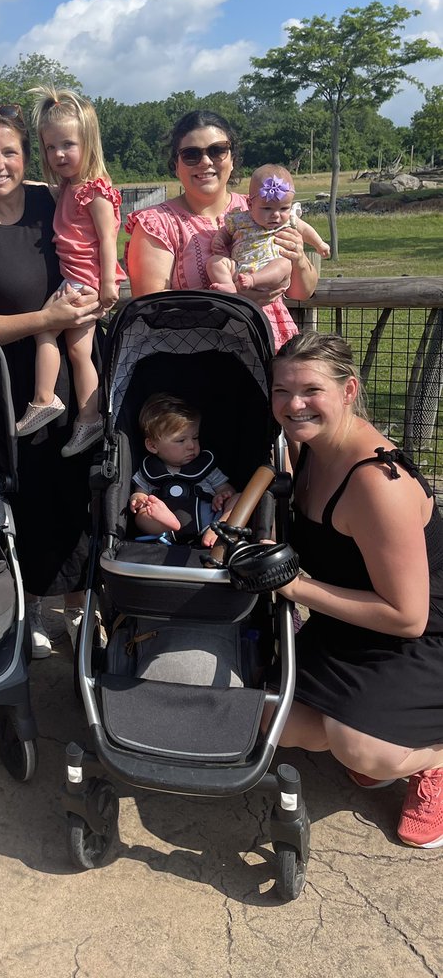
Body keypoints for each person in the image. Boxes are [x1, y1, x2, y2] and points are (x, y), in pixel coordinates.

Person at [0, 103, 102, 657]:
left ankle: (82, 610)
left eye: (9, 152)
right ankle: (26, 605)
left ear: (26, 157)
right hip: (12, 386)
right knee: (24, 496)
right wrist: (46, 320)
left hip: (75, 374)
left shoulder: (51, 200)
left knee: (80, 491)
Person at [271, 332, 443, 849]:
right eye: (281, 390)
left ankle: (431, 759)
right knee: (269, 722)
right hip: (347, 622)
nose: (293, 404)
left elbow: (408, 616)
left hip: (420, 636)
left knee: (363, 749)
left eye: (310, 390)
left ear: (349, 390)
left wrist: (295, 587)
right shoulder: (303, 449)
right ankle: (381, 728)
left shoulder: (376, 482)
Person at [125, 111, 318, 349]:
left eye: (217, 150)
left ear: (232, 159)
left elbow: (302, 292)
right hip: (193, 357)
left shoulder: (265, 208)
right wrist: (232, 302)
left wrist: (297, 258)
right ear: (176, 166)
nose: (205, 161)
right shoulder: (156, 224)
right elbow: (150, 310)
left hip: (268, 346)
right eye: (191, 154)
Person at [14, 88, 125, 457]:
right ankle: (89, 418)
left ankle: (44, 398)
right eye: (50, 147)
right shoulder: (69, 187)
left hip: (83, 280)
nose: (58, 154)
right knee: (79, 351)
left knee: (44, 328)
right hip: (80, 279)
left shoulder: (94, 192)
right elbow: (49, 190)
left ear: (89, 143)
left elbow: (108, 239)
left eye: (67, 145)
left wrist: (108, 281)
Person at [207, 165, 330, 337]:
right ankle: (229, 287)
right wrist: (219, 239)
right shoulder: (240, 219)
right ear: (250, 204)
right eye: (267, 209)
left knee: (284, 264)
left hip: (269, 269)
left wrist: (319, 244)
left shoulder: (289, 222)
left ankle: (253, 280)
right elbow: (226, 231)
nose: (276, 215)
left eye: (284, 208)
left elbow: (305, 229)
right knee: (215, 261)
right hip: (239, 268)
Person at [129, 393, 238, 548]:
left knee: (239, 498)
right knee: (142, 516)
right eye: (181, 440)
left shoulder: (205, 467)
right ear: (153, 446)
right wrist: (138, 498)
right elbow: (140, 493)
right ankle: (168, 522)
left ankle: (220, 527)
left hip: (208, 522)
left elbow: (226, 489)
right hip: (163, 532)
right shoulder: (149, 470)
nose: (191, 446)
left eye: (195, 438)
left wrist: (223, 495)